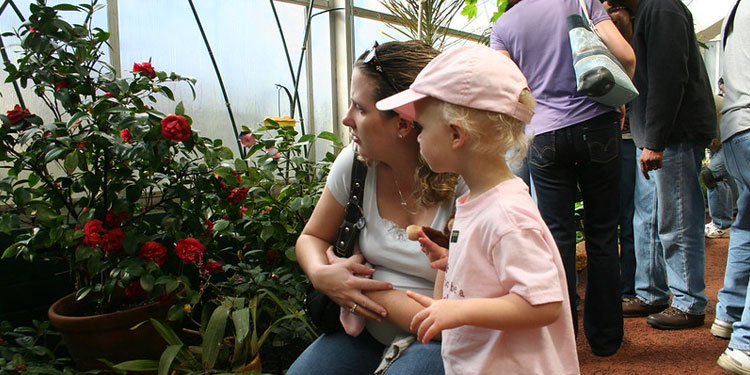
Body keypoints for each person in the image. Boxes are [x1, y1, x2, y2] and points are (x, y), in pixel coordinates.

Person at [376, 44, 579, 375]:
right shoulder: (476, 201)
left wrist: (459, 312)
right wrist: (457, 263)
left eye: (423, 127)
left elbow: (542, 303)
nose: (417, 138)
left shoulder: (508, 215)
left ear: (456, 134)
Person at [288, 40, 459, 375]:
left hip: (439, 341)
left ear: (404, 124)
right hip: (365, 332)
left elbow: (441, 315)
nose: (346, 118)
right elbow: (312, 237)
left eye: (361, 109)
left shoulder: (463, 181)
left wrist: (355, 291)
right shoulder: (356, 164)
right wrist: (323, 275)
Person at [491, 0, 635, 356]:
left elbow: (507, 90)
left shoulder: (504, 25)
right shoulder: (581, 1)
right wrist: (617, 99)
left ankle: (562, 338)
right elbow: (627, 57)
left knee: (557, 238)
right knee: (603, 233)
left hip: (544, 137)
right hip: (598, 126)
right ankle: (605, 340)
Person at [620, 0, 716, 330]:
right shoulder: (643, 15)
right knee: (646, 217)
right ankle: (650, 292)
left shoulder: (662, 8)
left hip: (672, 134)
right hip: (651, 134)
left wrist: (656, 141)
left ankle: (689, 301)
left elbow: (669, 77)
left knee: (676, 215)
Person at [713, 1, 750, 372]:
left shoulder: (737, 10)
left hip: (736, 130)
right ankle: (747, 343)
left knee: (746, 226)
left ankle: (729, 313)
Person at [602, 0, 637, 301]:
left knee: (618, 219)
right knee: (626, 219)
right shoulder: (628, 59)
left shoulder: (615, 59)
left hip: (624, 144)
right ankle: (626, 287)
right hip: (622, 144)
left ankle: (627, 287)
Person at [703, 78, 738, 239]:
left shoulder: (705, 102)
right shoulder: (708, 100)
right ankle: (732, 214)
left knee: (710, 174)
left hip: (732, 140)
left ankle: (722, 224)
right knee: (731, 178)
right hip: (722, 143)